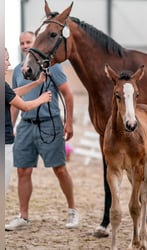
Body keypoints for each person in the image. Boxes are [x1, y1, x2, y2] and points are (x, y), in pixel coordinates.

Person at [5, 31, 79, 230]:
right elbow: (14, 102)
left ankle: (72, 211)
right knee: (22, 171)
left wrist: (69, 122)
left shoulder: (53, 67)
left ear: (35, 42)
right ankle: (23, 216)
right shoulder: (19, 70)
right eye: (22, 43)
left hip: (50, 124)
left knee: (60, 169)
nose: (25, 45)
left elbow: (68, 94)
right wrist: (10, 127)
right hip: (26, 126)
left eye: (28, 41)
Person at [5, 48, 51, 193]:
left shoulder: (4, 87)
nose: (9, 63)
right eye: (6, 59)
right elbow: (24, 106)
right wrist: (41, 99)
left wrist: (37, 83)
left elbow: (13, 93)